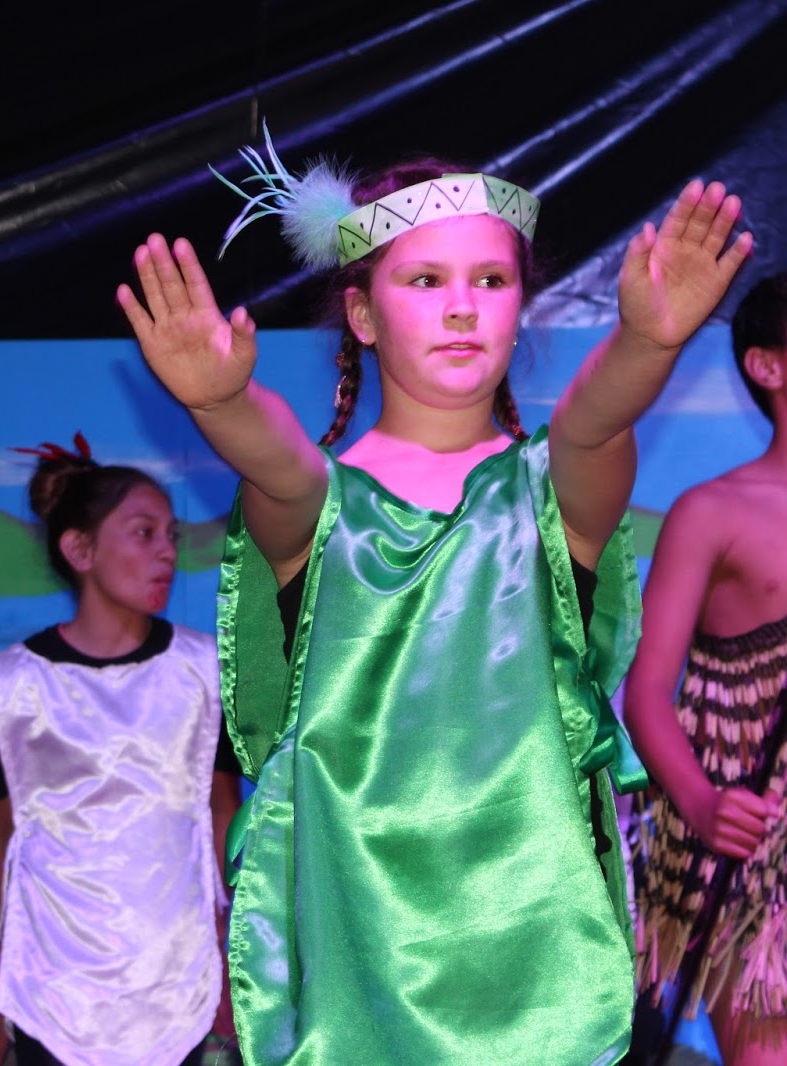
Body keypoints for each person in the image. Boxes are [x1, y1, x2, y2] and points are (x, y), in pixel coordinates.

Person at [116, 134, 752, 1064]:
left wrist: (646, 343)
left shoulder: (550, 494)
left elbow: (592, 424)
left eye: (491, 281)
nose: (462, 307)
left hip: (541, 978)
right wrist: (222, 405)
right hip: (356, 971)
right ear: (362, 315)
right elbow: (281, 465)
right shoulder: (322, 505)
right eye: (424, 281)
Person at [0, 436, 241, 1066]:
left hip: (175, 982)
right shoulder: (17, 682)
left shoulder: (202, 673)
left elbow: (222, 813)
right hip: (51, 987)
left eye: (171, 535)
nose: (167, 551)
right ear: (80, 549)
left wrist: (227, 953)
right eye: (144, 533)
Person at [626, 272, 787, 1065]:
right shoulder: (714, 511)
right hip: (758, 857)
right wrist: (702, 802)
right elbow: (647, 692)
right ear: (769, 366)